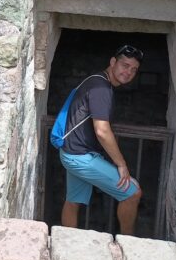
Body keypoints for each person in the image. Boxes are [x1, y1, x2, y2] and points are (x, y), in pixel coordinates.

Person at [60, 44, 144, 235]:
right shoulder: (101, 89)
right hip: (80, 157)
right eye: (125, 65)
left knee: (73, 200)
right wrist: (121, 164)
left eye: (134, 69)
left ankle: (66, 242)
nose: (128, 72)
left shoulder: (94, 80)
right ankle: (127, 243)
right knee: (132, 192)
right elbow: (102, 131)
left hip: (71, 151)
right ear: (113, 62)